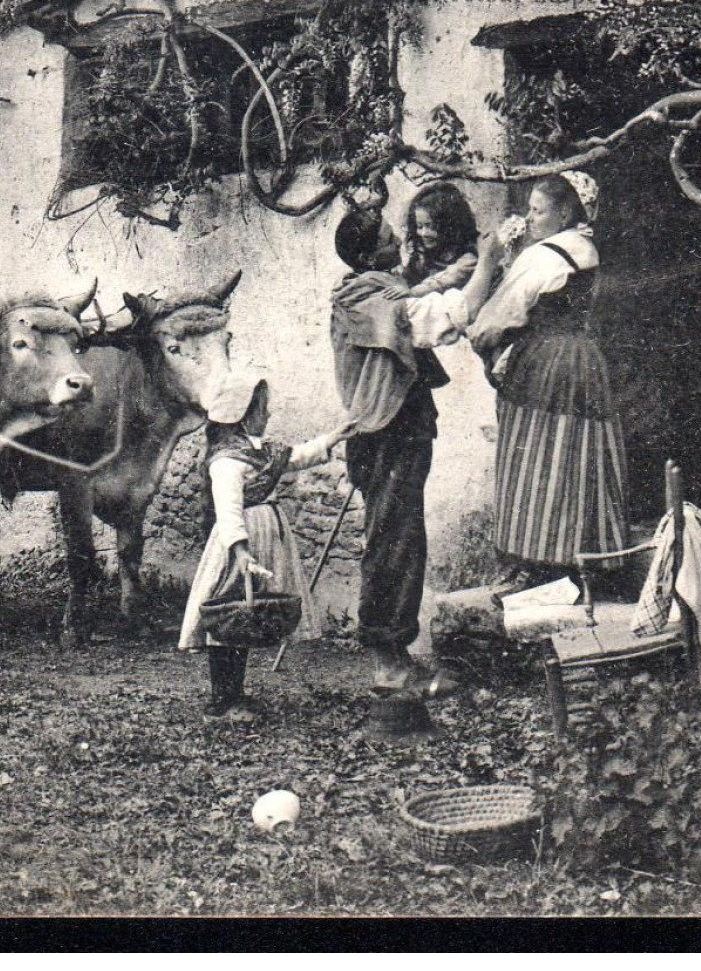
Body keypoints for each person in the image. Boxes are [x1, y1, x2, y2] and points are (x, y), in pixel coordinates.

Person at [330, 199, 500, 697]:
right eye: (387, 237)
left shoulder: (380, 285)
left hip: (398, 427)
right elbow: (436, 320)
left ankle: (394, 653)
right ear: (369, 253)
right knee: (393, 541)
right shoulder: (365, 297)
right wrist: (486, 264)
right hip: (384, 432)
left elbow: (419, 288)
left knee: (402, 536)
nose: (398, 243)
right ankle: (386, 659)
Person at [465, 171, 629, 588]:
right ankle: (580, 561)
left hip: (545, 363)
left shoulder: (544, 256)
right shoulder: (587, 248)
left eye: (538, 211)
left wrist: (483, 339)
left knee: (534, 453)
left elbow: (497, 317)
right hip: (584, 360)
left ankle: (537, 561)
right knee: (578, 457)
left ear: (565, 211)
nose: (530, 218)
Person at [178, 376, 355, 722]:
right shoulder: (227, 461)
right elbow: (228, 511)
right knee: (230, 612)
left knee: (247, 614)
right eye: (263, 408)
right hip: (239, 544)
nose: (269, 413)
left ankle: (235, 694)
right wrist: (241, 553)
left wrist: (337, 435)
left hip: (265, 535)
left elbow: (298, 456)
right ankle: (221, 701)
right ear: (244, 415)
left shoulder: (261, 452)